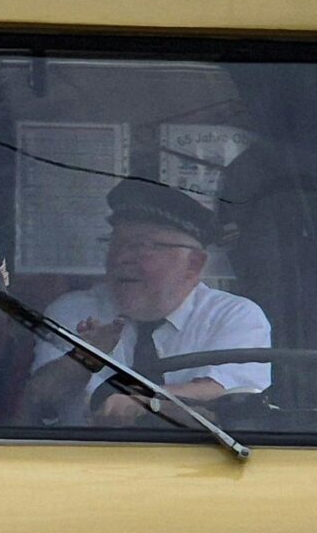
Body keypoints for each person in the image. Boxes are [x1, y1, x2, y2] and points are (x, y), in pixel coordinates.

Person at [24, 178, 272, 425]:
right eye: (116, 244)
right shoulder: (75, 310)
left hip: (196, 460)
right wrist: (84, 358)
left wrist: (144, 401)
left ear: (193, 265)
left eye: (142, 247)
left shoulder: (233, 316)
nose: (121, 258)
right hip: (81, 458)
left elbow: (231, 395)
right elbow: (39, 399)